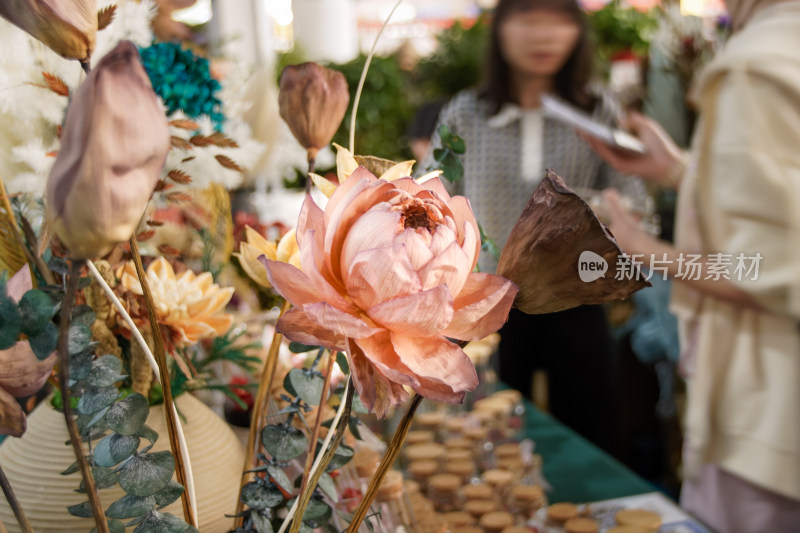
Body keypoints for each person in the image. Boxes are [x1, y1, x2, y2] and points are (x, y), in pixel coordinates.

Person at [581, 0, 800, 529]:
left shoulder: (758, 63)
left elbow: (771, 273)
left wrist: (645, 250)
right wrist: (680, 170)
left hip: (767, 407)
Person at [422, 0, 650, 453]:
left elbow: (636, 200)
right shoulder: (467, 112)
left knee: (590, 432)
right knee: (485, 435)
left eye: (559, 20)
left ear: (578, 31)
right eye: (528, 18)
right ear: (501, 30)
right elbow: (431, 196)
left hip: (578, 294)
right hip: (483, 300)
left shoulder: (596, 109)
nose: (544, 35)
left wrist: (584, 209)